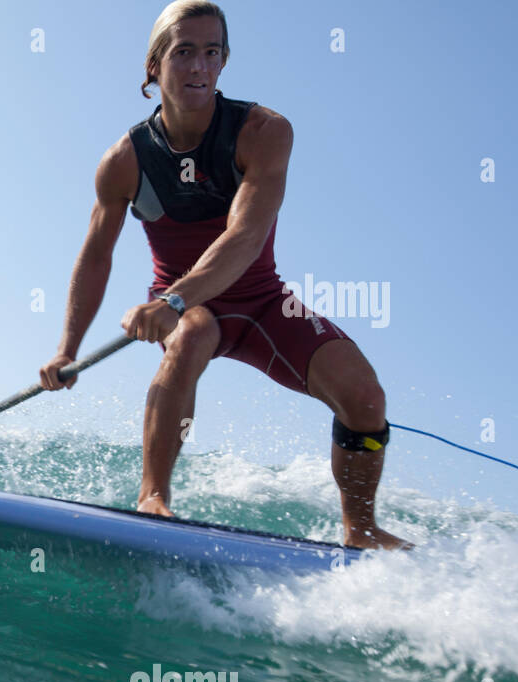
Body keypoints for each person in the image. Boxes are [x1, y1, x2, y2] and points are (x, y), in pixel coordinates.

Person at [39, 0, 409, 550]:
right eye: (184, 52)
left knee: (366, 399)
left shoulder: (263, 131)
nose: (199, 67)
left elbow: (245, 237)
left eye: (212, 53)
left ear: (224, 62)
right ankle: (153, 498)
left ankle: (362, 530)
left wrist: (174, 299)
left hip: (262, 304)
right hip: (187, 311)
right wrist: (68, 348)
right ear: (154, 65)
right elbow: (95, 256)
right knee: (191, 335)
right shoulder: (124, 161)